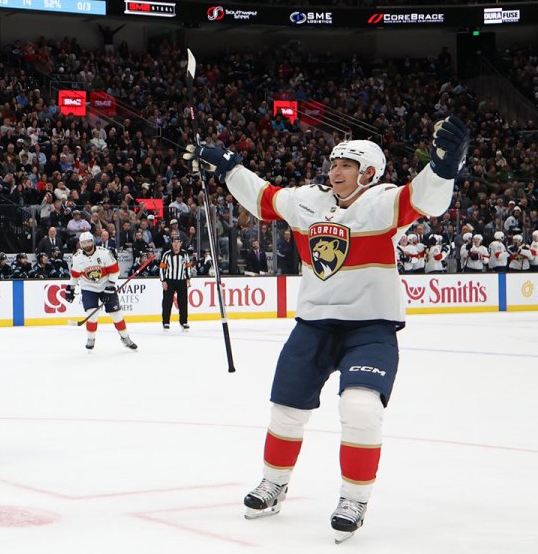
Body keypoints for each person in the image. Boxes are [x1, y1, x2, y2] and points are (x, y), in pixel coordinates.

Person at [185, 115, 467, 542]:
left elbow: (426, 200)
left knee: (360, 411)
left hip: (370, 329)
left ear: (369, 173)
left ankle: (354, 498)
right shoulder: (307, 201)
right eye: (333, 163)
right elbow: (264, 198)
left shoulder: (384, 202)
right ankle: (273, 484)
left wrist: (443, 168)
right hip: (313, 326)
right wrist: (228, 166)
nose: (334, 170)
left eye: (346, 165)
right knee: (286, 411)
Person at [65, 230, 137, 351]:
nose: (87, 245)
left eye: (88, 242)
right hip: (88, 288)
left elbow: (115, 271)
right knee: (92, 315)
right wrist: (70, 288)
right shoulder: (77, 257)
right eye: (84, 243)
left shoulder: (104, 253)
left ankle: (125, 337)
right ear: (80, 244)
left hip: (105, 285)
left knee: (116, 314)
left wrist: (110, 286)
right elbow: (75, 275)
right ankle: (91, 338)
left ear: (93, 242)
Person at [158, 235, 193, 332]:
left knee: (183, 302)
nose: (176, 244)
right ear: (172, 243)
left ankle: (184, 322)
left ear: (181, 243)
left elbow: (188, 266)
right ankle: (166, 322)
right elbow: (162, 268)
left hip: (181, 281)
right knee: (167, 302)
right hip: (169, 281)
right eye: (174, 242)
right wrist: (163, 280)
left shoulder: (185, 254)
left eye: (178, 241)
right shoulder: (167, 255)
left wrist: (188, 278)